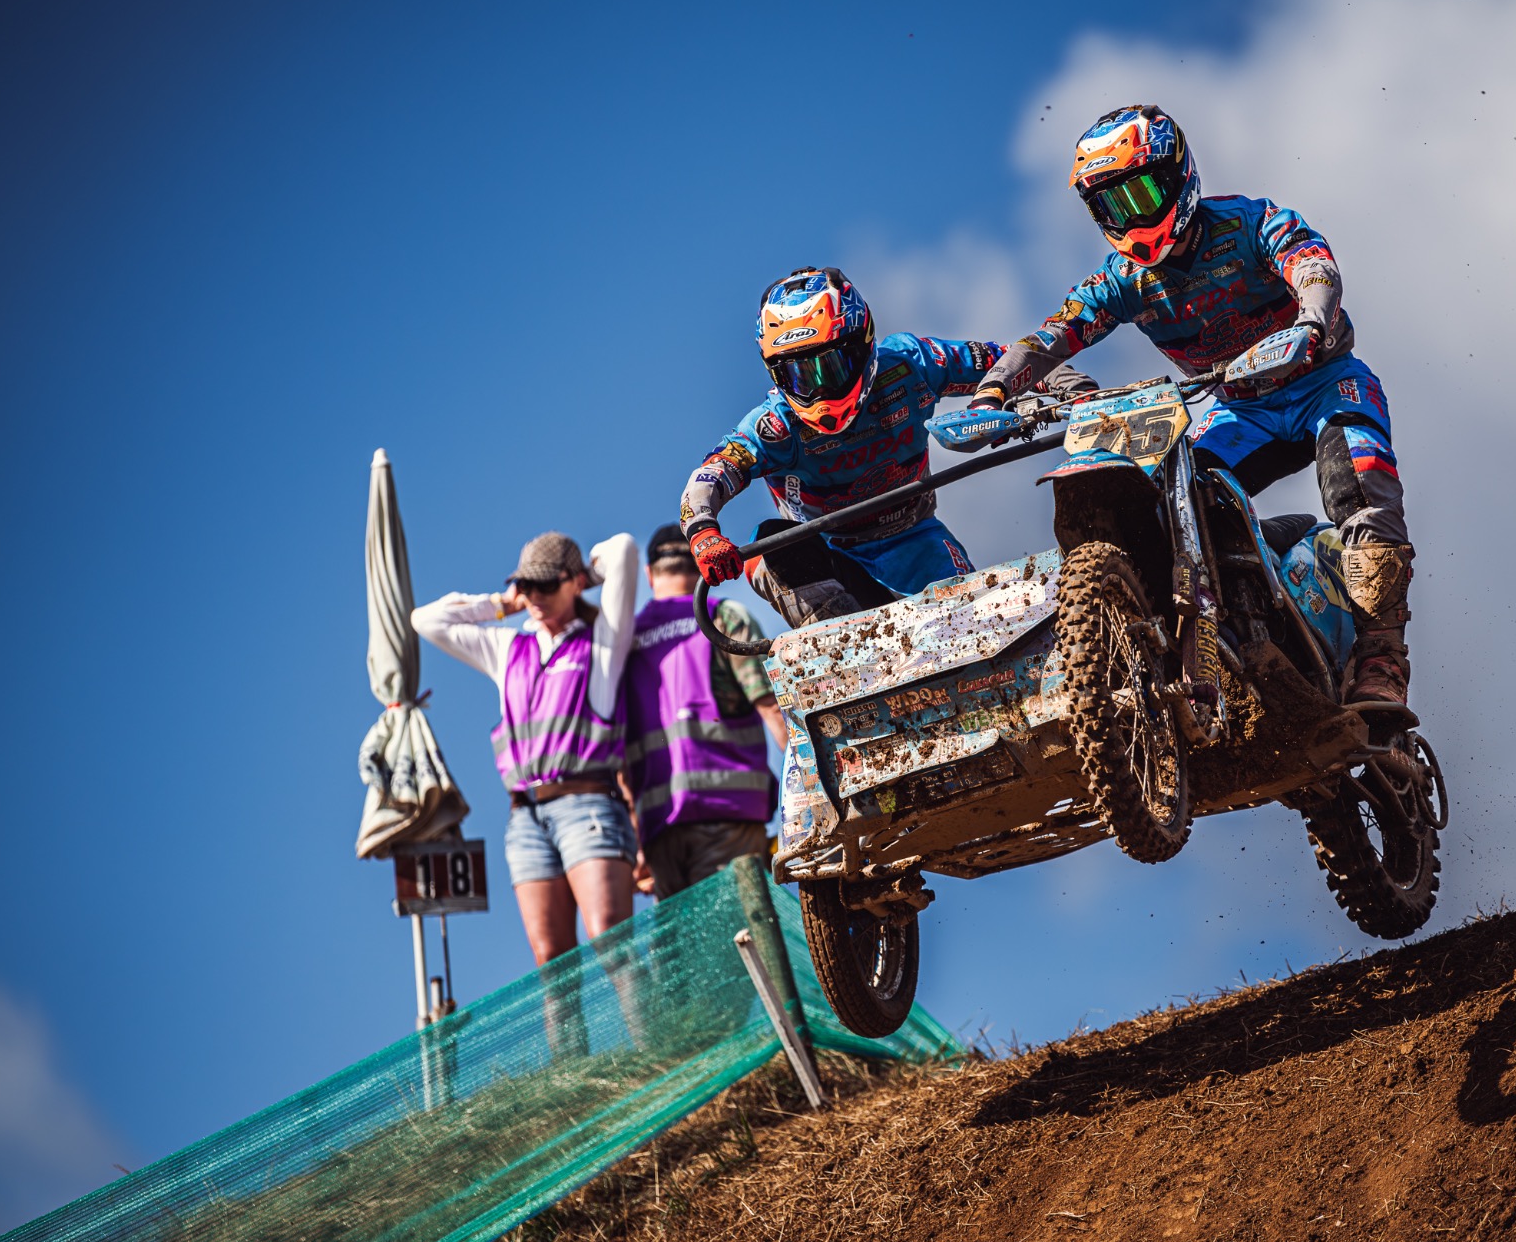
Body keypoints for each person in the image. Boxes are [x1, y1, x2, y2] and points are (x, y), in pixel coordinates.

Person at [970, 104, 1418, 706]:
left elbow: (1311, 262)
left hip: (1324, 381)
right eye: (1112, 205)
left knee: (1359, 480)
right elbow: (1054, 334)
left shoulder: (1250, 221)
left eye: (1141, 194)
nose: (1130, 217)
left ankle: (1382, 659)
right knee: (1175, 498)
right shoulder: (1122, 280)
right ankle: (1228, 625)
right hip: (1240, 409)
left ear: (1177, 176)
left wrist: (1313, 317)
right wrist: (995, 389)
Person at [679, 266, 1091, 627]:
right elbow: (710, 474)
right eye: (799, 374)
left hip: (916, 540)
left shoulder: (912, 363)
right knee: (768, 544)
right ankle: (842, 656)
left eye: (830, 366)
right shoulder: (774, 426)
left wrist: (1075, 390)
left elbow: (1005, 360)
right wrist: (703, 533)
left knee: (986, 633)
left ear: (862, 344)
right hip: (830, 559)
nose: (819, 389)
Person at [413, 531, 640, 965]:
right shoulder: (508, 648)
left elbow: (623, 549)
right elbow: (426, 620)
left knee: (611, 941)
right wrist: (502, 604)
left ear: (574, 582)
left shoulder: (602, 640)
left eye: (546, 584)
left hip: (588, 805)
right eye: (526, 584)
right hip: (525, 818)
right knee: (550, 959)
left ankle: (649, 1018)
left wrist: (584, 577)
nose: (535, 595)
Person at [622, 524, 790, 900]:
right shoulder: (722, 617)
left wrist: (635, 840)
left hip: (658, 829)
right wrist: (815, 791)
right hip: (730, 815)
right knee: (740, 929)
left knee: (689, 937)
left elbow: (620, 757)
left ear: (649, 574)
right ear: (699, 565)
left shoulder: (626, 640)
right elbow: (773, 709)